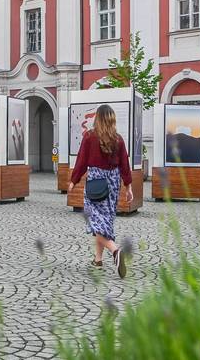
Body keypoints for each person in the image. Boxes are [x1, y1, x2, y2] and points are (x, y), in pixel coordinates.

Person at [67, 104, 133, 278]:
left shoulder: (89, 137)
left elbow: (81, 160)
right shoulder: (118, 139)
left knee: (95, 222)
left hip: (96, 182)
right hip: (112, 183)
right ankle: (97, 260)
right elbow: (125, 165)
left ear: (97, 118)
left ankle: (115, 251)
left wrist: (74, 181)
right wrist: (128, 186)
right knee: (105, 222)